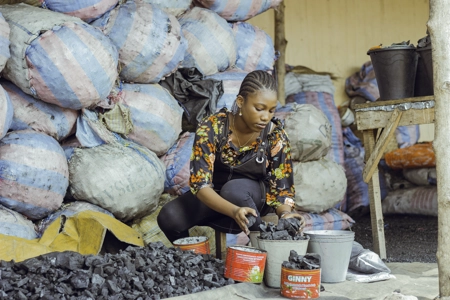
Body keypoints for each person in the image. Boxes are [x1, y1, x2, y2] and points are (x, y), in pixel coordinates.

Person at [157, 70, 305, 243]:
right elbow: (200, 185)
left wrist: (286, 213)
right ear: (240, 102)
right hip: (218, 198)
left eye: (272, 111)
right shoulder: (211, 128)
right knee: (169, 216)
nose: (266, 117)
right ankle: (191, 260)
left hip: (254, 199)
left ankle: (266, 243)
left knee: (234, 190)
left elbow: (282, 189)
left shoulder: (275, 136)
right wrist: (233, 211)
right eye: (259, 109)